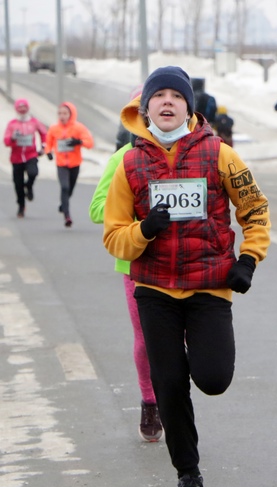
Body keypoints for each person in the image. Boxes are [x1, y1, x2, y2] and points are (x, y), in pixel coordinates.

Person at [102, 66, 271, 487]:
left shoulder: (221, 154)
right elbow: (113, 234)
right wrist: (144, 230)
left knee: (213, 379)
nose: (168, 103)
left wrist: (249, 259)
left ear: (189, 107)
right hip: (154, 289)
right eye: (159, 96)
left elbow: (254, 208)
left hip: (208, 287)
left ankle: (202, 366)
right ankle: (188, 475)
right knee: (169, 384)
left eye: (177, 96)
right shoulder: (129, 162)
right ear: (146, 108)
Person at [89, 96, 162, 443]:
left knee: (181, 337)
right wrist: (139, 221)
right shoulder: (123, 157)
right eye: (150, 109)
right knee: (147, 339)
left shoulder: (189, 155)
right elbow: (97, 208)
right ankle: (150, 401)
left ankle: (174, 400)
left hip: (183, 261)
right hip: (135, 262)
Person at [44, 101, 94, 227]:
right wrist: (48, 152)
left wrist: (78, 142)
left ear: (71, 114)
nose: (62, 116)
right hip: (61, 164)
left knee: (70, 189)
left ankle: (63, 204)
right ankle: (67, 216)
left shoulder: (78, 128)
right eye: (60, 113)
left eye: (65, 113)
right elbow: (48, 142)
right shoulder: (54, 128)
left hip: (75, 163)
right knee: (64, 187)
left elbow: (90, 143)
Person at [4, 98, 48, 218]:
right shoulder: (12, 124)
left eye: (24, 108)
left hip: (31, 154)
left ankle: (29, 186)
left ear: (28, 109)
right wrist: (13, 138)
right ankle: (21, 206)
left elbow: (44, 133)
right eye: (20, 108)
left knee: (33, 173)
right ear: (16, 110)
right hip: (16, 157)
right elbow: (6, 141)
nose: (22, 110)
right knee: (18, 184)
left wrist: (43, 146)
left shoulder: (34, 121)